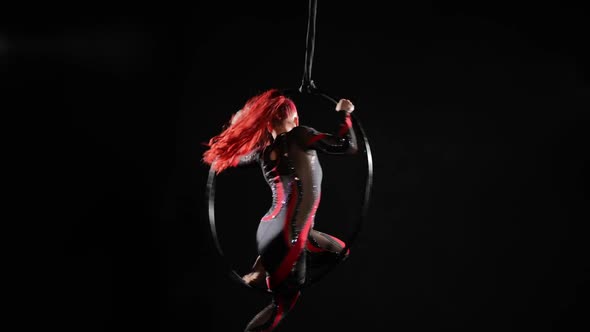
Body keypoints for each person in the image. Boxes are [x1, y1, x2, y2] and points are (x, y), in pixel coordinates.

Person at [202, 88, 358, 331]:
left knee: (337, 252)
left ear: (267, 126)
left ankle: (264, 265)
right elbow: (347, 146)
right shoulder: (302, 134)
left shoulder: (263, 152)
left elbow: (234, 160)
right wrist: (346, 115)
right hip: (289, 234)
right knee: (282, 305)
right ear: (295, 120)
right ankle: (267, 267)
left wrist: (222, 153)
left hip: (269, 230)